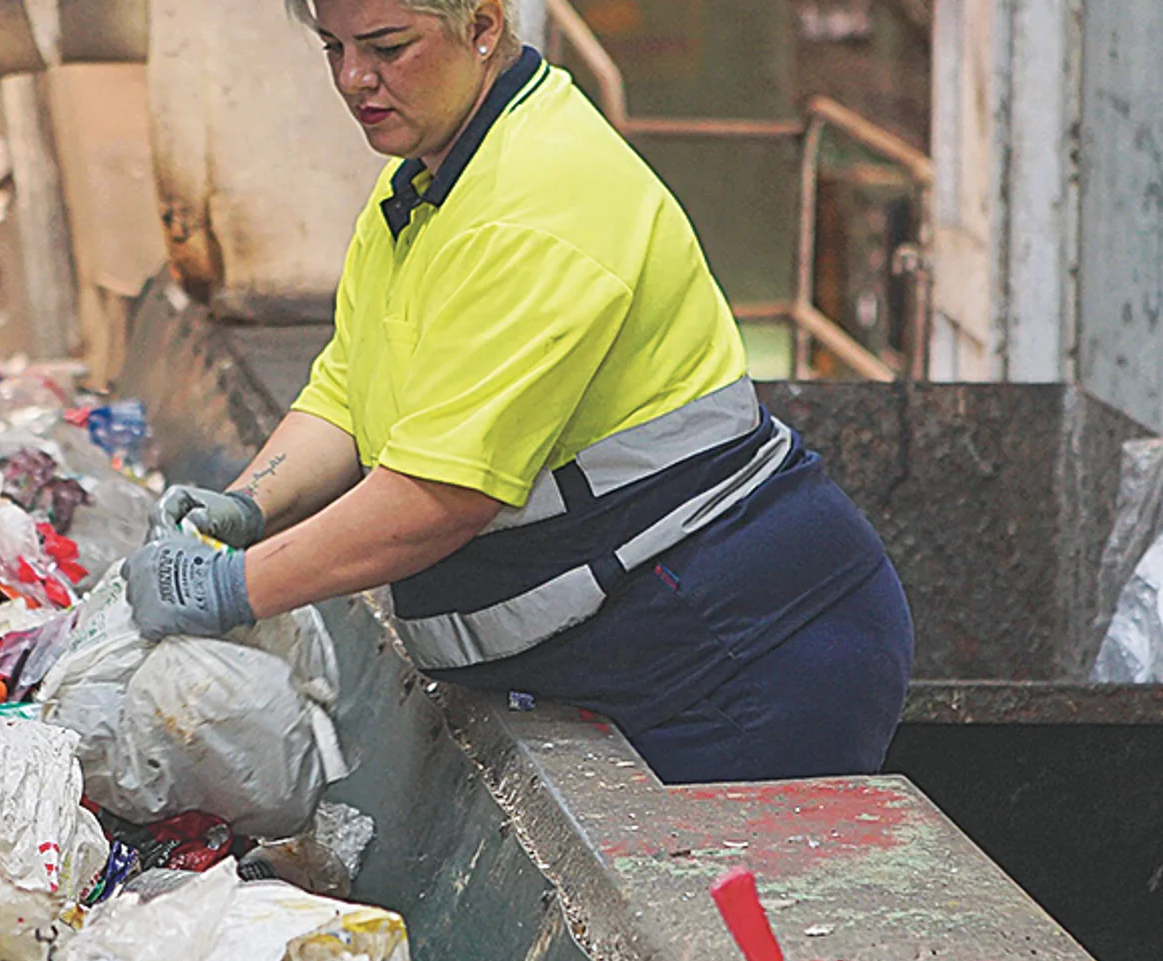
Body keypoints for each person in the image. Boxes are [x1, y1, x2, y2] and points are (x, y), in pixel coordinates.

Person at [121, 0, 914, 784]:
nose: (354, 78)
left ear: (483, 27)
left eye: (387, 48)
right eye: (334, 48)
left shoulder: (537, 203)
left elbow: (439, 497)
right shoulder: (423, 186)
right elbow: (347, 389)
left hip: (742, 652)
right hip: (655, 636)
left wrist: (235, 585)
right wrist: (245, 504)